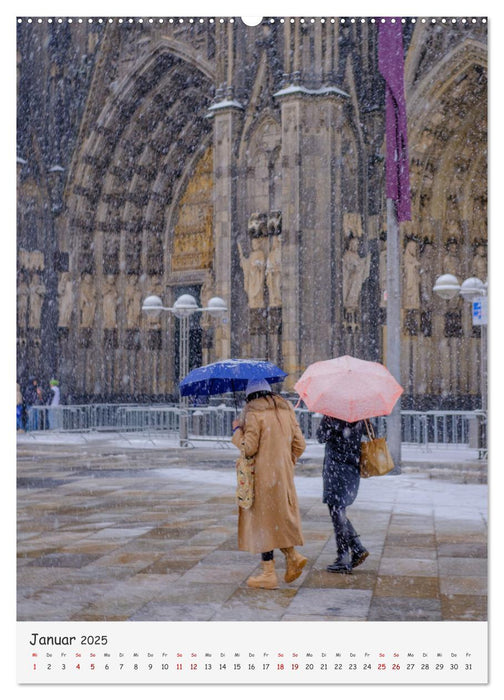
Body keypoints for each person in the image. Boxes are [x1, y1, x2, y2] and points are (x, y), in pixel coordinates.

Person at [231, 379, 307, 589]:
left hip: (262, 478)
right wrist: (285, 462)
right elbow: (300, 445)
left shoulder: (254, 414)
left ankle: (268, 574)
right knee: (278, 519)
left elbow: (249, 448)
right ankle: (292, 556)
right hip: (283, 476)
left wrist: (237, 431)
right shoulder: (286, 411)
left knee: (264, 524)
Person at [316, 415, 369, 573]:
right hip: (352, 466)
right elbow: (371, 432)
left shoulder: (332, 416)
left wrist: (330, 426)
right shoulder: (361, 416)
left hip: (336, 469)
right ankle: (355, 548)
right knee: (339, 511)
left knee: (337, 512)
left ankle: (345, 556)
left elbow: (320, 437)